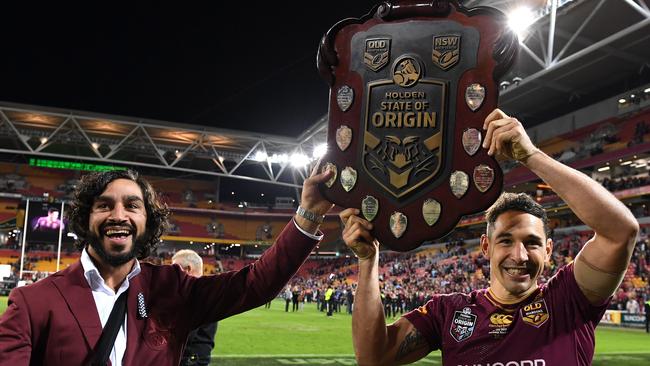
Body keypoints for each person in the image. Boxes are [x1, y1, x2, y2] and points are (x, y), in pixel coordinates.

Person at [340, 109, 639, 365]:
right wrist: (368, 260)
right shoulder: (450, 313)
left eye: (532, 243)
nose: (519, 256)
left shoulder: (569, 301)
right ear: (486, 246)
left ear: (548, 250)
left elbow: (621, 231)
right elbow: (373, 357)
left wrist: (531, 156)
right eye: (506, 240)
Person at [0, 165, 334, 365]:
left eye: (133, 205)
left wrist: (309, 213)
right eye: (104, 205)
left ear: (147, 221)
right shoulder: (31, 302)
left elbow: (256, 284)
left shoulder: (173, 288)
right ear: (85, 219)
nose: (119, 215)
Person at [171, 249, 216, 366]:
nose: (172, 274)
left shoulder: (196, 294)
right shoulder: (206, 292)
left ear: (187, 269)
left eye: (175, 269)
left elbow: (181, 336)